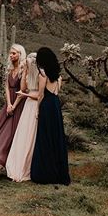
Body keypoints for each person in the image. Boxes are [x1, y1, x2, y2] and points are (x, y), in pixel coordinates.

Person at [23, 47, 70, 185]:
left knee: (44, 137)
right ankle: (58, 172)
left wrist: (37, 110)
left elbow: (41, 95)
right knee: (56, 137)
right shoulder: (58, 76)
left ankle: (44, 172)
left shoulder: (42, 74)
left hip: (47, 106)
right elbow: (56, 92)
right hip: (56, 106)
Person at [5, 52, 40, 182]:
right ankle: (18, 165)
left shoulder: (41, 76)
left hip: (35, 104)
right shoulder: (28, 75)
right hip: (28, 106)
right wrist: (25, 71)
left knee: (32, 134)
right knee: (23, 134)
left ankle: (28, 165)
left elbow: (40, 95)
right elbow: (23, 88)